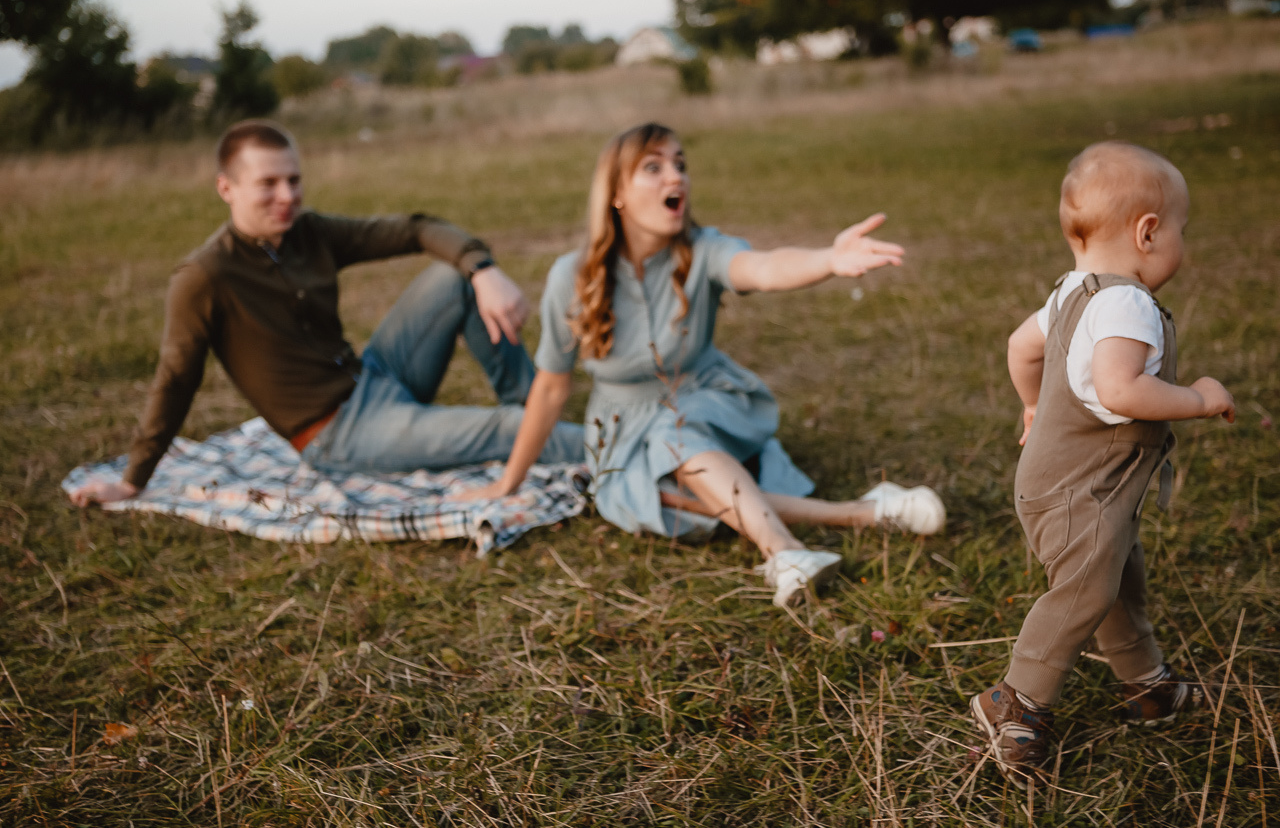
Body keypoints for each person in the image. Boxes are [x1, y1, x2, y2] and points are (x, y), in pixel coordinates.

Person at [459, 122, 945, 607]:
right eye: (653, 167)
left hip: (704, 400)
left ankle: (785, 552)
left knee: (674, 434)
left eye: (680, 165)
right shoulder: (572, 276)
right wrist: (509, 481)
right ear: (616, 194)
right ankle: (868, 511)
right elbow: (549, 389)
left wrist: (827, 259)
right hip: (621, 428)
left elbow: (765, 266)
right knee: (665, 497)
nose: (676, 177)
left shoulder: (704, 250)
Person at [69, 119, 582, 507]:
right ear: (227, 188)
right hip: (340, 434)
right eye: (268, 184)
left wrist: (483, 269)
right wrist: (133, 479)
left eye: (294, 180)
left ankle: (539, 408)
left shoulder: (307, 232)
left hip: (376, 378)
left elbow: (416, 228)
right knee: (505, 429)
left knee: (456, 277)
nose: (287, 196)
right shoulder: (204, 277)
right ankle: (620, 443)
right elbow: (175, 379)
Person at [970, 141, 1235, 788]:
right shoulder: (1128, 302)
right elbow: (1120, 390)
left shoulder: (1070, 293)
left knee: (1120, 575)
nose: (1181, 243)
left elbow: (1020, 347)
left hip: (1064, 483)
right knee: (1088, 586)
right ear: (1148, 232)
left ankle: (1146, 684)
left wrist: (1034, 406)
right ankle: (1014, 698)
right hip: (1077, 490)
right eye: (1181, 230)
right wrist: (1197, 398)